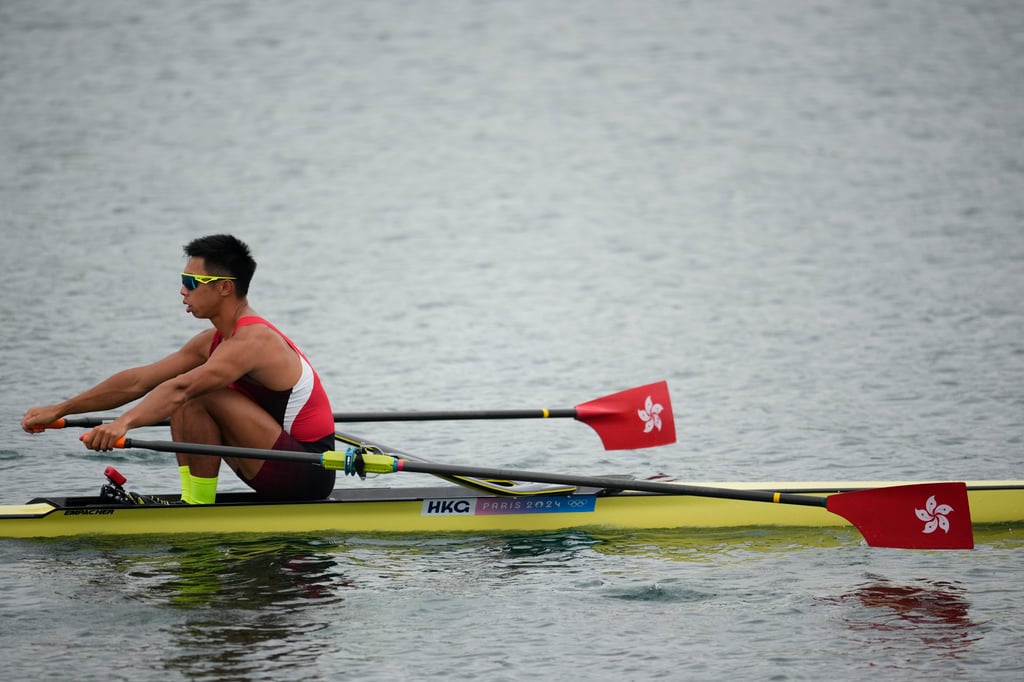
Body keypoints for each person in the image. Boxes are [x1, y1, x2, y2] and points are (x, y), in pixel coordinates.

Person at [20, 234, 336, 504]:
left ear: (225, 288)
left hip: (309, 471)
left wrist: (122, 424)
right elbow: (138, 381)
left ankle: (196, 506)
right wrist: (60, 409)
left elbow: (181, 388)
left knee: (197, 393)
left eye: (191, 283)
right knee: (187, 396)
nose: (183, 291)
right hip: (273, 460)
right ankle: (193, 499)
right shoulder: (211, 341)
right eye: (182, 282)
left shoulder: (253, 341)